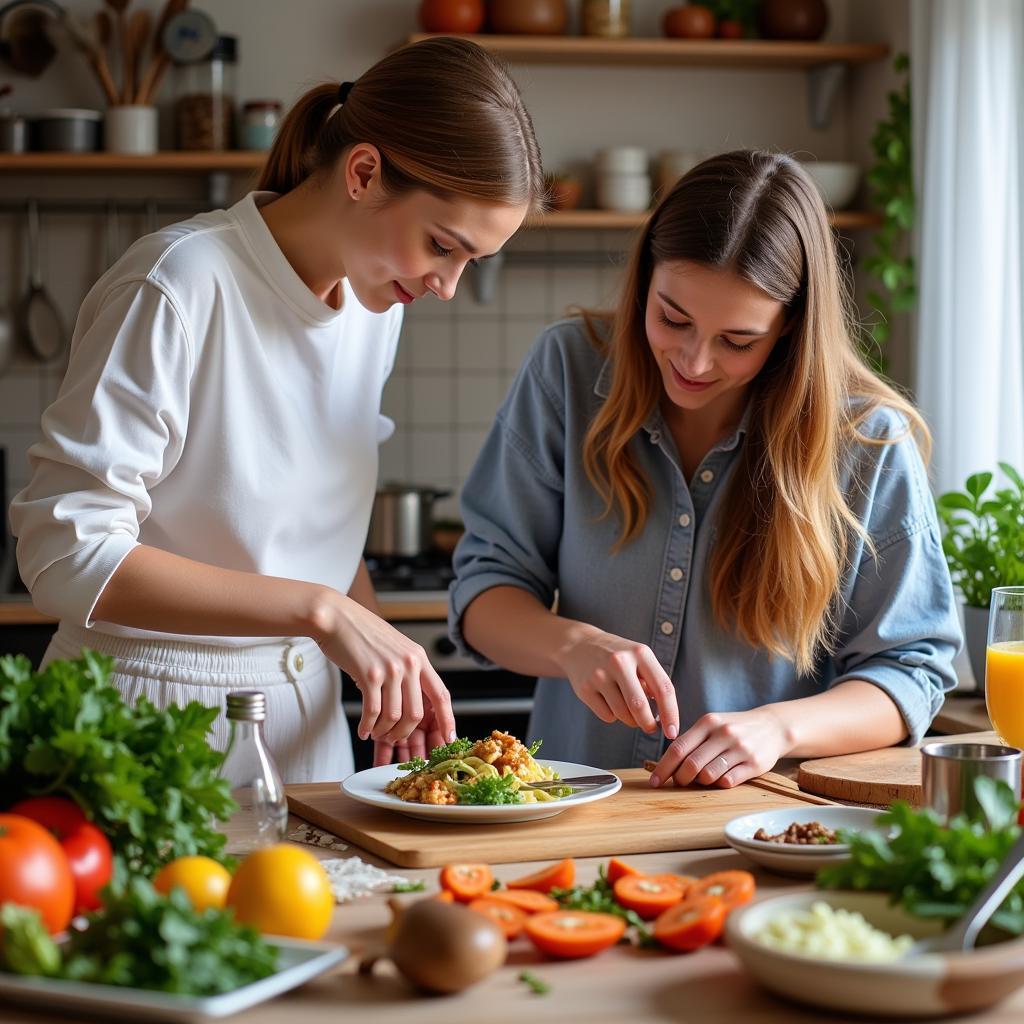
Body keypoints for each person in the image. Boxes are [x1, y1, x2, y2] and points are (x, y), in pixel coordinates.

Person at [10, 37, 545, 783]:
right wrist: (323, 613)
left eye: (469, 263)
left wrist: (383, 654)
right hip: (145, 723)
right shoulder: (179, 284)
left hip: (307, 725)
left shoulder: (372, 307)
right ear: (363, 172)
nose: (446, 285)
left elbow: (310, 531)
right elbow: (65, 553)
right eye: (441, 246)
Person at [450, 149, 962, 789]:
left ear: (790, 330)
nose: (693, 361)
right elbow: (483, 592)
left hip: (757, 823)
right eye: (673, 318)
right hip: (570, 805)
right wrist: (571, 646)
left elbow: (912, 670)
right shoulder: (568, 372)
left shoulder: (864, 441)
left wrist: (778, 728)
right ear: (645, 283)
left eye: (737, 341)